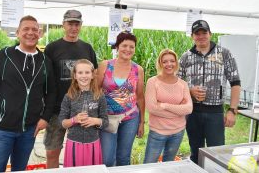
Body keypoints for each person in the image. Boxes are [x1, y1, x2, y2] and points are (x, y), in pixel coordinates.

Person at [0, 15, 56, 173]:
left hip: (29, 130)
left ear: (40, 34)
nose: (30, 33)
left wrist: (45, 118)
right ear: (18, 33)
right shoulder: (3, 56)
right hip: (1, 129)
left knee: (19, 170)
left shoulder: (45, 61)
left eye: (35, 29)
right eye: (26, 29)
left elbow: (51, 92)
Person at [178, 20, 241, 164]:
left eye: (204, 33)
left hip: (215, 113)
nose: (201, 36)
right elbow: (177, 84)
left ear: (210, 34)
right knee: (196, 153)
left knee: (217, 154)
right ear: (192, 36)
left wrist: (232, 110)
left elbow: (235, 83)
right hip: (193, 113)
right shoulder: (186, 56)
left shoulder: (224, 54)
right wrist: (190, 90)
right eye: (197, 34)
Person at [43, 9, 98, 168]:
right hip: (57, 110)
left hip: (82, 110)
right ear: (63, 25)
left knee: (82, 151)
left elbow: (94, 75)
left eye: (77, 24)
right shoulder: (52, 48)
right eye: (70, 24)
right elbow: (46, 79)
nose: (73, 27)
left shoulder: (87, 48)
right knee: (52, 151)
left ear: (81, 25)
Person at [97, 31, 145, 167]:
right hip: (108, 118)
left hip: (130, 118)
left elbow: (140, 97)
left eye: (132, 47)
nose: (128, 49)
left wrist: (142, 122)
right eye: (124, 45)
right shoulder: (105, 65)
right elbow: (95, 91)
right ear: (117, 47)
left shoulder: (138, 69)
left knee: (123, 158)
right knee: (107, 159)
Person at [143, 49, 192, 163]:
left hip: (178, 132)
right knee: (149, 164)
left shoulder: (183, 84)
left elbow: (188, 108)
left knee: (169, 165)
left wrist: (164, 105)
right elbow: (152, 108)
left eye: (172, 61)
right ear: (160, 63)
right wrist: (178, 110)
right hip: (157, 132)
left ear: (176, 63)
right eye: (165, 61)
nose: (169, 64)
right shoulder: (152, 82)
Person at [59, 59, 108, 167]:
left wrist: (95, 121)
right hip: (74, 144)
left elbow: (105, 122)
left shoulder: (99, 96)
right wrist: (74, 120)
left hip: (93, 144)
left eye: (87, 72)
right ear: (75, 76)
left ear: (92, 75)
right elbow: (62, 122)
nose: (84, 76)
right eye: (80, 73)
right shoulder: (69, 96)